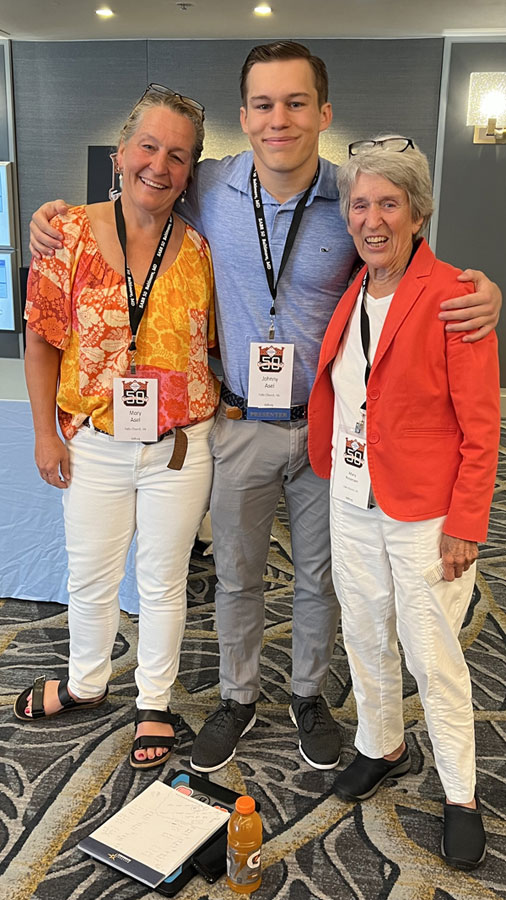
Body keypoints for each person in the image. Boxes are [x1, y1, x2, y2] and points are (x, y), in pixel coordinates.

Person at [29, 42, 502, 776]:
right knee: (240, 573)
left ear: (323, 113)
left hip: (326, 432)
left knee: (320, 577)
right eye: (262, 104)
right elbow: (135, 196)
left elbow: (403, 248)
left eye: (295, 103)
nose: (278, 119)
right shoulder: (208, 183)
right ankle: (237, 694)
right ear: (244, 117)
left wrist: (483, 290)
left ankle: (308, 693)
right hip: (237, 422)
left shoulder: (351, 192)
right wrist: (51, 215)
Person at [308, 137, 500, 869]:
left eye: (389, 203)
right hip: (354, 494)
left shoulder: (455, 296)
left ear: (418, 213)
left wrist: (467, 523)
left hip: (426, 510)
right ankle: (379, 743)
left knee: (434, 652)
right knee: (364, 627)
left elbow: (482, 424)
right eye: (361, 203)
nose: (372, 218)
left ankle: (460, 792)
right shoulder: (353, 290)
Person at [15, 85, 219, 770]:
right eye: (149, 147)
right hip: (95, 442)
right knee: (91, 576)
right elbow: (40, 340)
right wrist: (45, 432)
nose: (160, 166)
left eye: (179, 156)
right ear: (121, 152)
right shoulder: (65, 231)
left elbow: (210, 344)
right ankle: (86, 681)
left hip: (177, 449)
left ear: (191, 171)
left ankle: (154, 701)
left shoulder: (198, 250)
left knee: (163, 580)